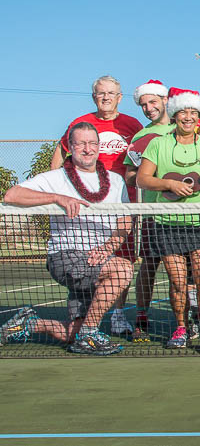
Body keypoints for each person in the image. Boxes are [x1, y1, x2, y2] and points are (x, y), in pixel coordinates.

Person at [2, 122, 133, 355]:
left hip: (99, 259)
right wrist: (57, 198)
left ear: (99, 147)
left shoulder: (115, 181)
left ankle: (30, 324)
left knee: (72, 332)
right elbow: (12, 195)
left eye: (92, 143)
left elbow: (125, 222)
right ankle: (90, 334)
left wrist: (109, 246)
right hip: (66, 257)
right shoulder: (55, 178)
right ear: (70, 147)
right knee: (123, 270)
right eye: (81, 143)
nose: (87, 149)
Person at [136, 88, 200, 353]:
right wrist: (168, 184)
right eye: (183, 112)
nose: (188, 117)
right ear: (175, 115)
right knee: (177, 281)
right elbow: (143, 179)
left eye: (193, 113)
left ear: (199, 117)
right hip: (167, 221)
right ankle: (180, 328)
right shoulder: (158, 143)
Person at [50, 75, 143, 334]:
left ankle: (117, 315)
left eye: (111, 93)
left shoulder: (131, 124)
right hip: (87, 204)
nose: (105, 97)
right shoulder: (81, 125)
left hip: (122, 203)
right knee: (85, 258)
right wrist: (57, 184)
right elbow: (60, 150)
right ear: (94, 97)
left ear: (119, 97)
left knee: (123, 260)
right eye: (101, 93)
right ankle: (81, 316)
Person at [122, 79, 174, 341]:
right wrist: (152, 175)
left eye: (153, 102)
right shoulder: (141, 137)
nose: (148, 108)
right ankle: (142, 315)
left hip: (187, 211)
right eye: (143, 104)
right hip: (153, 211)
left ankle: (190, 318)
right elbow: (131, 175)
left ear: (166, 100)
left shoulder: (186, 127)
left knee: (185, 268)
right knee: (149, 265)